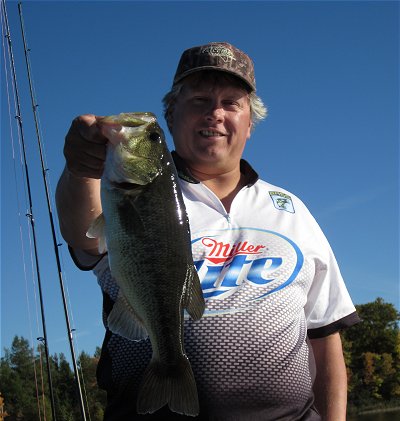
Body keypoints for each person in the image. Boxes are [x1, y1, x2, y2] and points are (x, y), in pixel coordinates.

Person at [56, 42, 360, 421]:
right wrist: (81, 168)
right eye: (199, 100)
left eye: (231, 103)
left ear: (250, 123)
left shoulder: (293, 210)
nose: (214, 113)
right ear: (170, 115)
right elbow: (81, 231)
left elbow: (324, 336)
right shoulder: (138, 191)